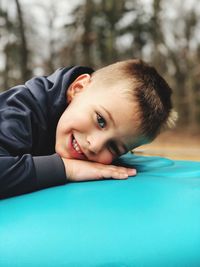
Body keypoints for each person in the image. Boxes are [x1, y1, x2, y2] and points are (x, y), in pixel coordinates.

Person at [0, 59, 177, 199]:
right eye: (100, 120)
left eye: (114, 147)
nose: (95, 145)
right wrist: (67, 169)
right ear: (77, 88)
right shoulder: (19, 111)